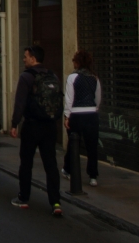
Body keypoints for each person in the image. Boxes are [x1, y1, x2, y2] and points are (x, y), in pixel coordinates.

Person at [10, 45, 64, 217]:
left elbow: (20, 103)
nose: (24, 59)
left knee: (26, 163)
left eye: (26, 56)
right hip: (50, 126)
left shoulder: (26, 77)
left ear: (33, 58)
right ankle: (55, 202)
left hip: (32, 125)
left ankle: (24, 198)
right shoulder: (53, 76)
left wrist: (14, 124)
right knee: (51, 164)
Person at [62, 50, 101, 187]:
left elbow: (69, 99)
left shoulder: (72, 77)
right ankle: (93, 176)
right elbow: (98, 98)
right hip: (91, 114)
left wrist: (67, 116)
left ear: (77, 62)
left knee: (74, 144)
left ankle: (68, 169)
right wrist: (94, 109)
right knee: (92, 146)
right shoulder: (94, 78)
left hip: (76, 114)